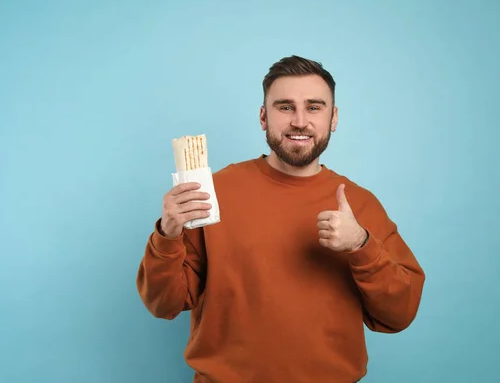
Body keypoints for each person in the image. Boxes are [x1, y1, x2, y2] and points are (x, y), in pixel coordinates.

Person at [136, 55, 426, 383]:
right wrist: (167, 235)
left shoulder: (360, 205)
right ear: (263, 116)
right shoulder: (212, 193)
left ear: (334, 118)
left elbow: (400, 314)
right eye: (285, 107)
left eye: (314, 107)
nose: (300, 121)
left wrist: (361, 245)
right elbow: (164, 304)